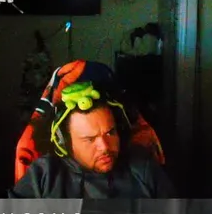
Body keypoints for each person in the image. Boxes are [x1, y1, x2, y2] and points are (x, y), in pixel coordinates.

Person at [11, 81, 175, 198]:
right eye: (90, 139)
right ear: (65, 143)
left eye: (110, 133)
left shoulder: (142, 168)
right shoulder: (44, 175)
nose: (105, 147)